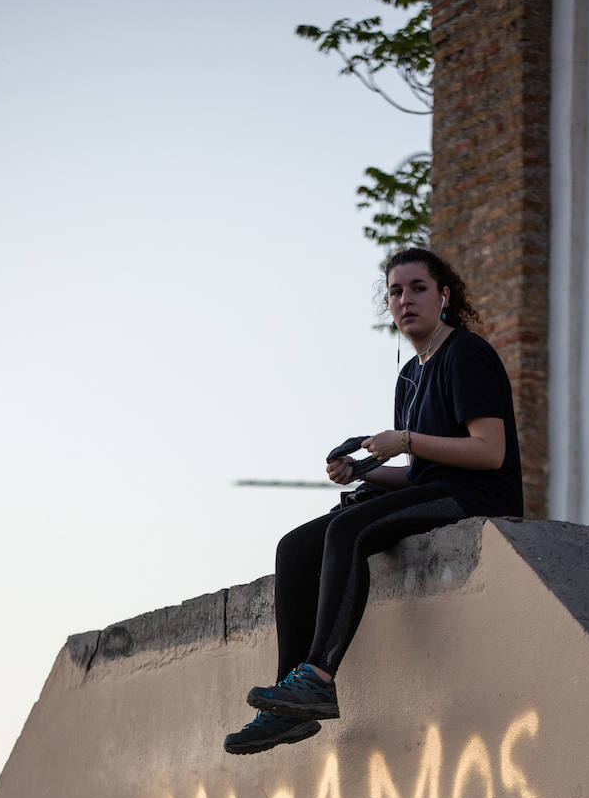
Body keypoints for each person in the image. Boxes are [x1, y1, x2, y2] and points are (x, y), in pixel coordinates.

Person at [224, 245, 523, 755]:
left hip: (476, 497)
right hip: (438, 490)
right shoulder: (410, 376)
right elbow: (422, 475)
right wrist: (364, 472)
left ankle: (319, 675)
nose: (406, 300)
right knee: (294, 548)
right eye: (395, 292)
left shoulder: (466, 354)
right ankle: (287, 705)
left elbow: (489, 453)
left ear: (444, 296)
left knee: (349, 531)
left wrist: (403, 441)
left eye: (418, 288)